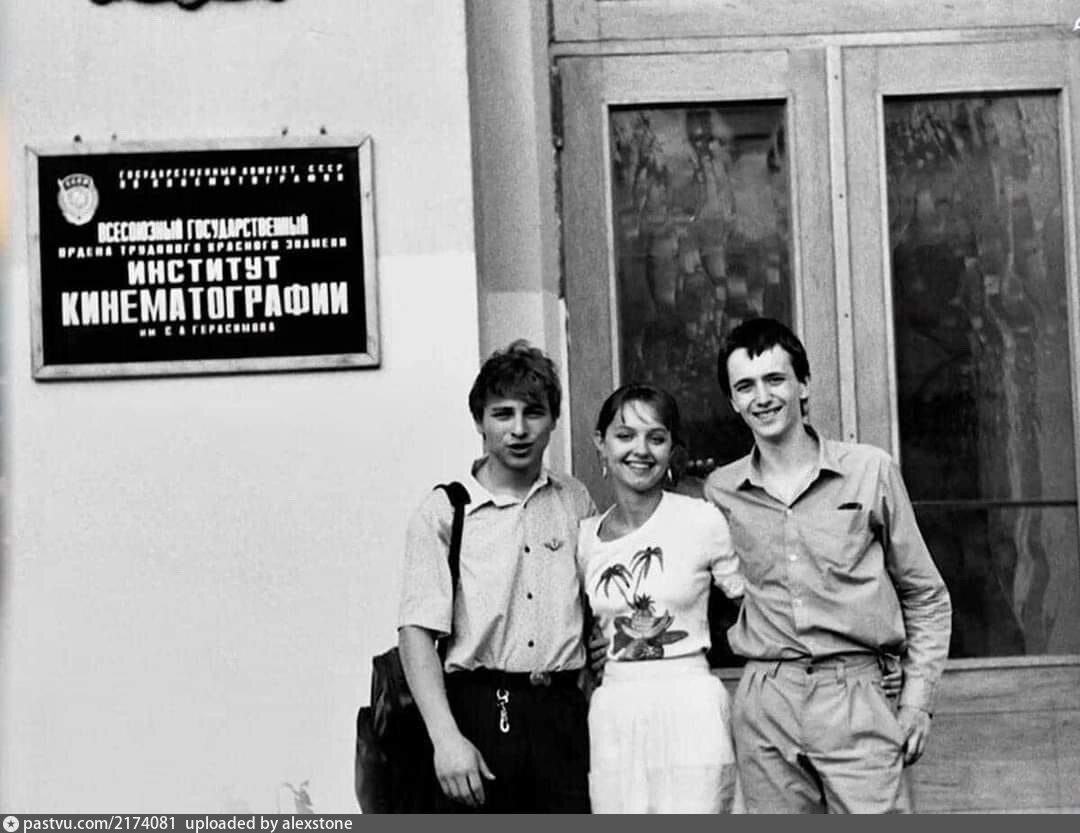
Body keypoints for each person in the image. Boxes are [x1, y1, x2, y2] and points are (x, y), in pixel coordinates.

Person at [704, 317, 953, 813]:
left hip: (856, 693)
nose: (762, 397)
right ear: (733, 401)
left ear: (803, 385)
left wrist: (916, 701)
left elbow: (926, 595)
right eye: (745, 387)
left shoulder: (869, 470)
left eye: (775, 380)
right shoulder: (721, 491)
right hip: (766, 699)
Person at [397, 339, 598, 813]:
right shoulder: (446, 511)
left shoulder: (575, 501)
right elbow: (416, 633)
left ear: (553, 420)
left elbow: (597, 609)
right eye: (503, 414)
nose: (519, 429)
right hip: (478, 715)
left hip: (562, 717)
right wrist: (446, 739)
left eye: (534, 412)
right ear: (480, 422)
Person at [577, 383, 745, 813]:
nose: (641, 450)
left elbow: (755, 607)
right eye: (625, 435)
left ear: (672, 449)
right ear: (601, 443)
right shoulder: (586, 539)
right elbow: (581, 628)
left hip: (691, 705)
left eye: (656, 438)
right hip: (616, 712)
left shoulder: (702, 520)